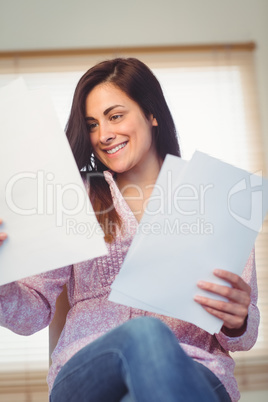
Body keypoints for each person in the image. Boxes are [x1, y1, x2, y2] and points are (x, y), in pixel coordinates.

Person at [0, 58, 259, 402]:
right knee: (144, 334)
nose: (103, 135)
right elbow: (31, 315)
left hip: (195, 369)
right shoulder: (73, 197)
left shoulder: (216, 199)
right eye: (92, 124)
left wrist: (238, 320)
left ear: (151, 114)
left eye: (115, 116)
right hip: (90, 373)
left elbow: (242, 338)